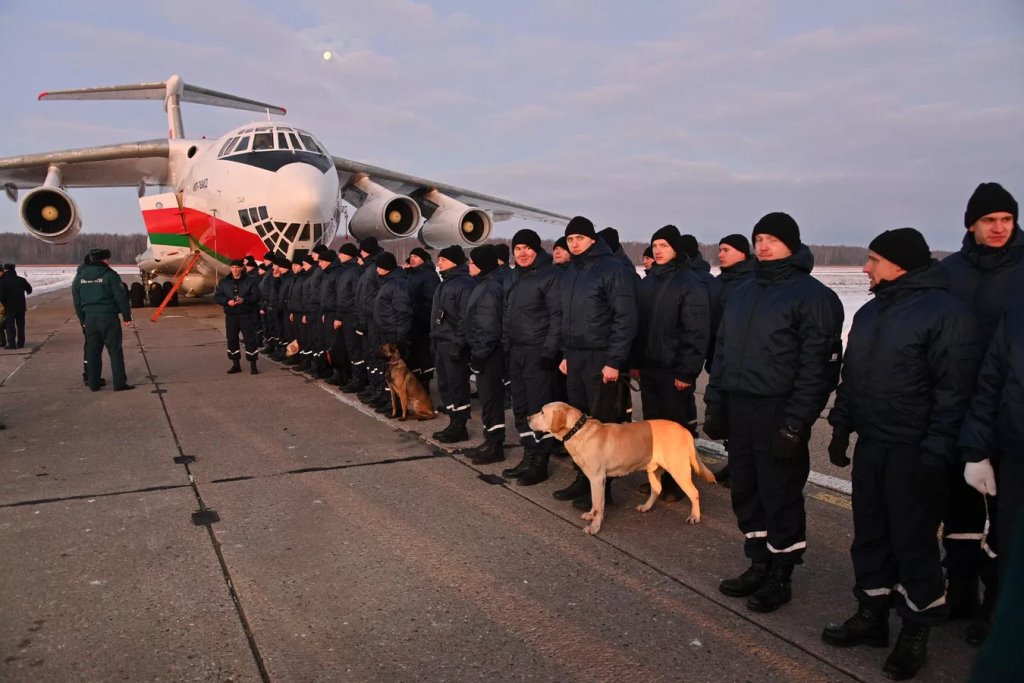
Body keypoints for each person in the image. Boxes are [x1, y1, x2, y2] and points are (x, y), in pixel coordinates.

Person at [822, 228, 981, 680]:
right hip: (873, 446)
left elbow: (954, 393)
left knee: (913, 542)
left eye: (873, 260)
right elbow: (853, 377)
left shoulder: (946, 314)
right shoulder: (871, 314)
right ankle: (871, 614)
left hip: (916, 451)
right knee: (870, 534)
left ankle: (917, 626)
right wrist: (840, 426)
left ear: (901, 264)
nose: (866, 268)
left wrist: (937, 453)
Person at [704, 211, 843, 613]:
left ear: (792, 245)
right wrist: (715, 402)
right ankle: (759, 561)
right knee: (745, 488)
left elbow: (818, 369)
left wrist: (797, 423)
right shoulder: (743, 291)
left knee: (778, 491)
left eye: (773, 240)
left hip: (779, 409)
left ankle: (782, 571)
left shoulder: (813, 297)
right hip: (740, 405)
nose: (763, 246)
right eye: (759, 238)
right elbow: (724, 351)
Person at [940, 181, 1023, 645]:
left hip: (1009, 403)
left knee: (1007, 514)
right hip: (959, 401)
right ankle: (962, 588)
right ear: (971, 224)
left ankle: (998, 602)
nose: (998, 228)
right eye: (989, 220)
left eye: (1006, 220)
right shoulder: (951, 272)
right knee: (959, 505)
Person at [553, 216, 638, 509]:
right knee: (578, 423)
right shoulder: (570, 272)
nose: (574, 243)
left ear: (592, 239)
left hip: (601, 357)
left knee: (602, 425)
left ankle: (604, 488)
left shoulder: (611, 270)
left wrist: (614, 360)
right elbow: (566, 317)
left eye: (579, 238)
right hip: (575, 357)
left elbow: (624, 318)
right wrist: (565, 353)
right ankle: (582, 477)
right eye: (570, 239)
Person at [634, 225, 710, 499]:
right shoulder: (648, 282)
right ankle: (660, 478)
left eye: (664, 245)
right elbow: (638, 328)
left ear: (676, 249)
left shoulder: (689, 283)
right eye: (655, 245)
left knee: (676, 430)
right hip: (650, 368)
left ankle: (680, 482)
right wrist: (634, 362)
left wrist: (687, 371)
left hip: (674, 370)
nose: (658, 250)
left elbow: (697, 331)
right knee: (654, 428)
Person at [500, 229, 563, 484]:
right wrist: (506, 345)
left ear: (536, 250)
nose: (522, 253)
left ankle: (540, 461)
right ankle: (528, 454)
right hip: (517, 352)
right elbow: (508, 314)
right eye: (517, 249)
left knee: (540, 408)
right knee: (522, 406)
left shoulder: (549, 276)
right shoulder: (515, 277)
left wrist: (549, 352)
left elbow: (557, 317)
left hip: (538, 353)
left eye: (527, 248)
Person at [708, 233, 756, 486]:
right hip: (718, 357)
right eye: (720, 249)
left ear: (742, 253)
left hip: (739, 360)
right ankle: (734, 462)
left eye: (726, 249)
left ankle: (742, 468)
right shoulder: (720, 282)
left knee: (741, 420)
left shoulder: (749, 282)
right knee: (726, 416)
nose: (720, 254)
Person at [458, 244, 507, 463]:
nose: (469, 265)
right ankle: (489, 440)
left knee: (491, 399)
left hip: (489, 354)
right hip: (484, 350)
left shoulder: (490, 288)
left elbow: (488, 327)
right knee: (488, 400)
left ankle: (495, 445)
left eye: (472, 262)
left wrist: (479, 355)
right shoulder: (484, 284)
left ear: (481, 265)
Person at [71, 248, 135, 391]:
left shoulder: (79, 277)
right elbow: (121, 297)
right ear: (104, 260)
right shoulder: (110, 275)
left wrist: (83, 320)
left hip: (90, 319)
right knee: (115, 351)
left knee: (93, 352)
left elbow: (76, 301)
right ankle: (119, 383)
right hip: (108, 318)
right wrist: (126, 316)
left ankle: (93, 383)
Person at [430, 245, 475, 443]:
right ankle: (452, 421)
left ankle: (460, 426)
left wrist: (458, 344)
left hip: (453, 343)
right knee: (445, 384)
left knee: (457, 385)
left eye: (443, 260)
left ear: (454, 262)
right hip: (441, 341)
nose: (439, 262)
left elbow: (465, 318)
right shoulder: (444, 283)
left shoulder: (464, 285)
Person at [371, 251, 413, 413]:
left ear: (386, 268)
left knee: (397, 372)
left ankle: (399, 404)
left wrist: (400, 336)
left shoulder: (397, 284)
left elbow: (403, 311)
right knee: (388, 369)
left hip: (393, 333)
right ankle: (391, 400)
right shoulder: (388, 282)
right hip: (386, 330)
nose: (376, 270)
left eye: (379, 267)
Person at [214, 259, 261, 374]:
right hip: (231, 315)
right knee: (232, 339)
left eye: (237, 267)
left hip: (246, 314)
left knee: (250, 339)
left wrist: (245, 300)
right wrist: (227, 301)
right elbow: (217, 297)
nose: (235, 270)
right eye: (233, 267)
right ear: (230, 268)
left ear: (242, 268)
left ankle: (253, 364)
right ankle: (236, 364)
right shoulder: (224, 282)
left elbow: (256, 296)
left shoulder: (250, 281)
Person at [405, 247, 440, 393]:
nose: (412, 258)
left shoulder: (429, 276)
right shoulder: (411, 274)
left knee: (423, 355)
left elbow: (432, 300)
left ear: (423, 259)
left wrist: (421, 314)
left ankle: (424, 386)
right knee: (413, 355)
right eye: (411, 255)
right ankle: (415, 385)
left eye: (416, 256)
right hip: (411, 321)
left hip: (422, 322)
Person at [336, 243, 368, 393]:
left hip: (352, 316)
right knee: (349, 348)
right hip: (345, 314)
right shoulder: (346, 271)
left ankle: (358, 380)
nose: (339, 256)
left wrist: (346, 307)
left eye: (341, 253)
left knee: (355, 349)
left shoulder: (354, 272)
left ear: (348, 255)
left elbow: (356, 296)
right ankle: (352, 377)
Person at [1, 263, 32, 348]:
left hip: (9, 307)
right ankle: (21, 343)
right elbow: (30, 290)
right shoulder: (21, 280)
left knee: (10, 326)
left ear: (6, 270)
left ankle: (12, 344)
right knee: (21, 325)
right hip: (21, 307)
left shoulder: (3, 281)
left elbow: (1, 296)